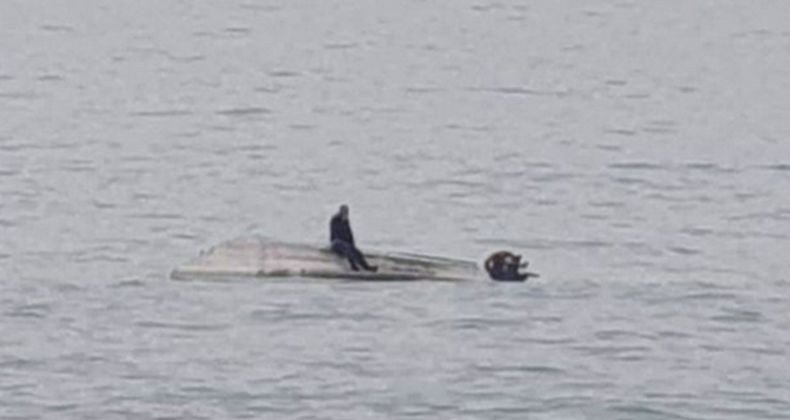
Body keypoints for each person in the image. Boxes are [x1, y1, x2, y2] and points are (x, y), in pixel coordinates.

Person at [329, 205, 378, 272]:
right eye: (344, 212)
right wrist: (343, 220)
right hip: (336, 242)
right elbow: (337, 233)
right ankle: (353, 265)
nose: (346, 213)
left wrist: (353, 245)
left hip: (344, 243)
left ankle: (366, 267)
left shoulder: (346, 220)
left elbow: (349, 234)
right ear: (340, 211)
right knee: (347, 248)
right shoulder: (335, 219)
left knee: (357, 252)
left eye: (347, 212)